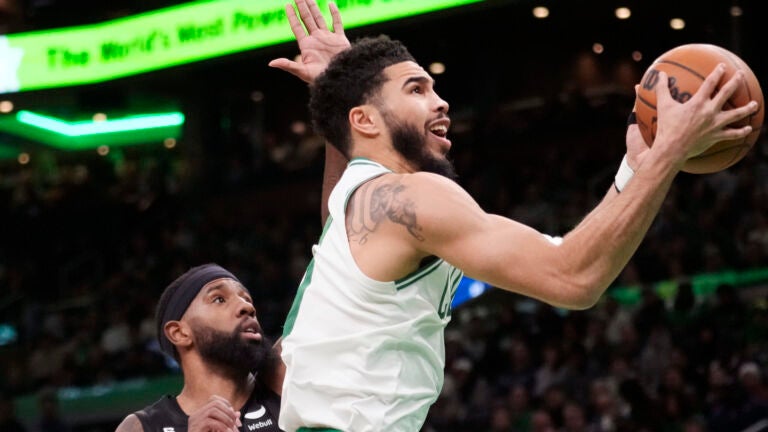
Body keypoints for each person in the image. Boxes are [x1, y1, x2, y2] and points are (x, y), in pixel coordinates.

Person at [268, 0, 761, 431]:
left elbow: (336, 208)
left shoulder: (361, 204)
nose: (441, 101)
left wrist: (634, 167)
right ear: (366, 119)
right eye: (416, 90)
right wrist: (667, 154)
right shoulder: (410, 197)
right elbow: (574, 277)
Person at [115, 264, 284, 432]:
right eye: (219, 299)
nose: (247, 307)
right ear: (179, 333)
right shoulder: (141, 427)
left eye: (247, 299)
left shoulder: (282, 380)